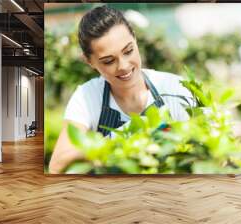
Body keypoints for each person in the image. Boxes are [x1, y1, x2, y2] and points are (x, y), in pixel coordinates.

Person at [49, 5, 193, 174]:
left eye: (128, 51)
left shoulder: (174, 88)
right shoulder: (87, 97)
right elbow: (57, 165)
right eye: (108, 61)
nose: (123, 66)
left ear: (135, 40)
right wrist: (123, 140)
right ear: (90, 62)